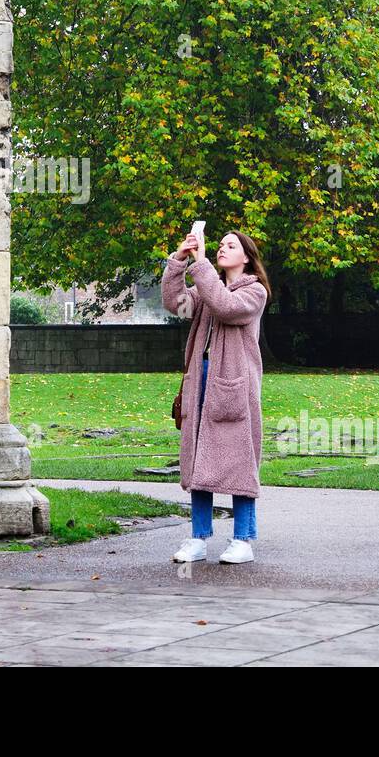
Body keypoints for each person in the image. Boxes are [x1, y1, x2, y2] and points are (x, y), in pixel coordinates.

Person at [161, 229, 271, 564]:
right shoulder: (208, 287)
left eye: (230, 245)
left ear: (247, 257)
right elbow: (176, 304)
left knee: (240, 463)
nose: (223, 248)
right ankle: (198, 537)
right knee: (199, 461)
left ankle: (243, 539)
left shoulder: (254, 292)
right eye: (220, 244)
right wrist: (179, 261)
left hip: (234, 385)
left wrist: (202, 263)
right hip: (202, 380)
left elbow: (226, 308)